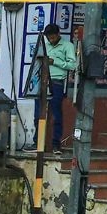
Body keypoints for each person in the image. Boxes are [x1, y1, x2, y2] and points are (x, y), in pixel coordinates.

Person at [25, 23, 77, 151]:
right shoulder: (45, 46)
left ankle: (55, 144)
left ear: (58, 34)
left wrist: (55, 62)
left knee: (56, 114)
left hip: (57, 82)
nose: (51, 40)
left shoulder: (67, 46)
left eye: (53, 37)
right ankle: (37, 142)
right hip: (42, 81)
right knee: (38, 113)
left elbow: (73, 65)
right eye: (49, 38)